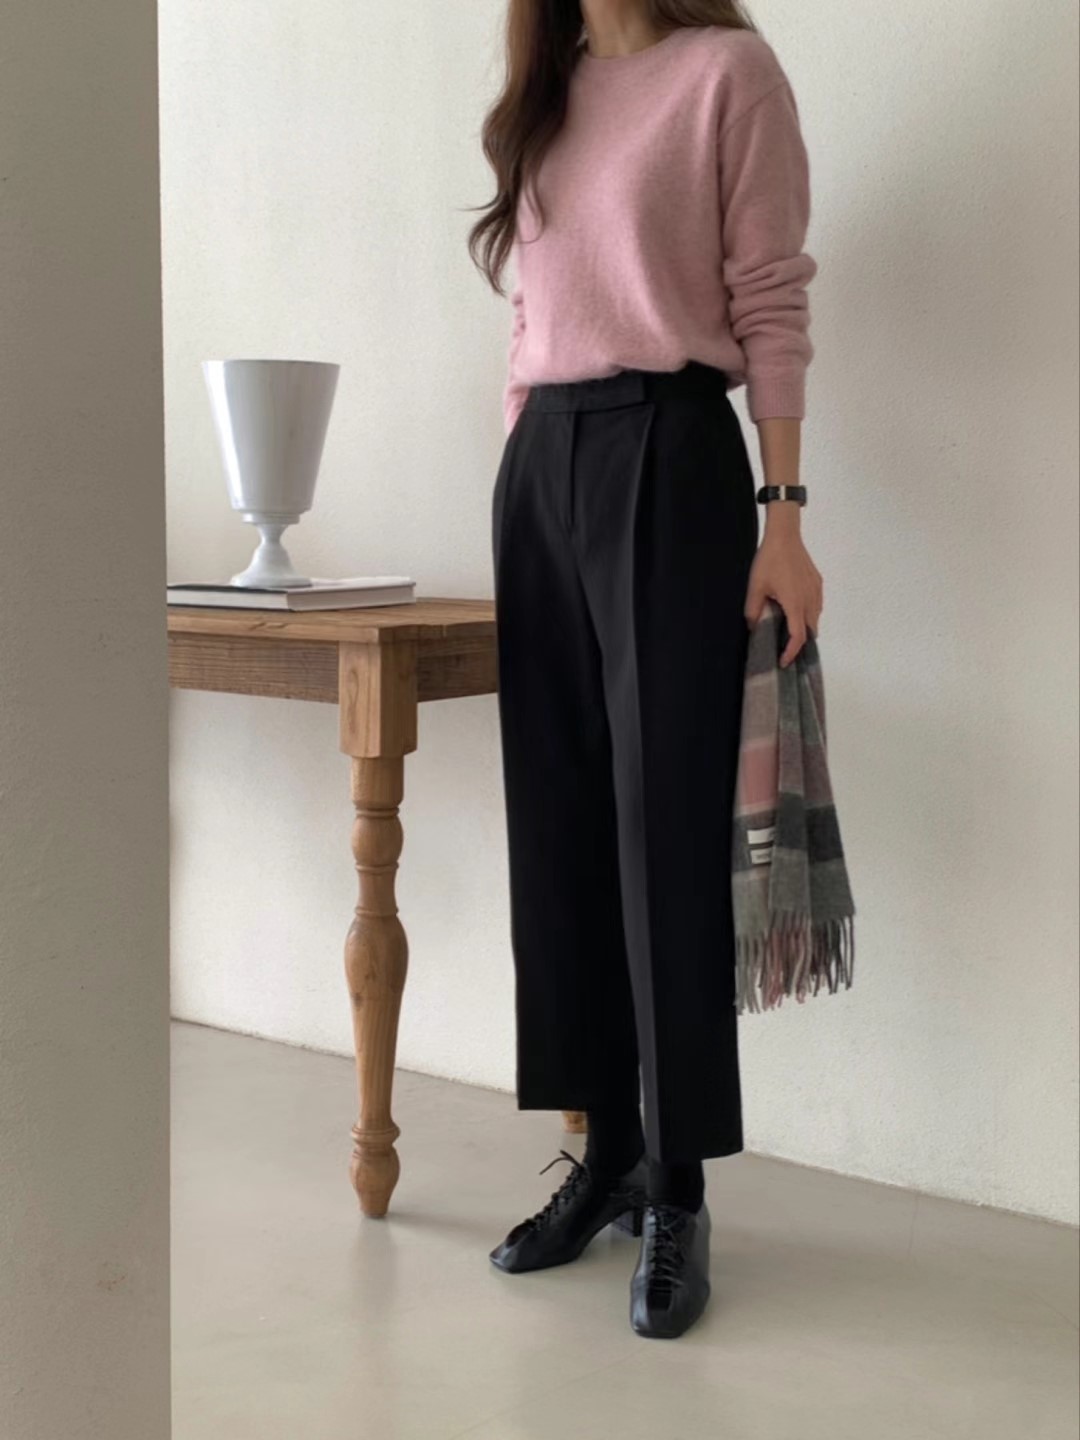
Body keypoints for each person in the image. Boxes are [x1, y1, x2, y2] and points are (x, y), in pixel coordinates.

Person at [468, 0, 824, 1340]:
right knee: (558, 826)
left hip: (671, 456)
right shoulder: (543, 98)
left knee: (662, 832)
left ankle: (678, 1187)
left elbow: (770, 296)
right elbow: (532, 314)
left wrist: (784, 517)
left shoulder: (728, 74)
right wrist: (521, 465)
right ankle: (606, 1152)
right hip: (541, 470)